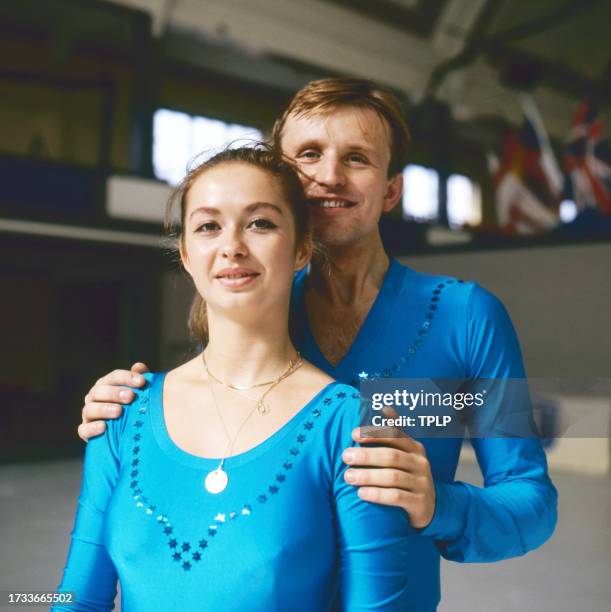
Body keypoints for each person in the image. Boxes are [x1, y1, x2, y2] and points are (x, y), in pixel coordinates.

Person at [79, 78, 558, 611]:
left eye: (357, 158)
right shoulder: (254, 298)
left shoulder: (465, 318)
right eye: (309, 155)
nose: (329, 176)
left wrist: (437, 504)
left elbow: (532, 501)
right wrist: (124, 406)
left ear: (391, 190)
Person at [54, 146, 412, 611]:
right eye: (208, 226)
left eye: (260, 223)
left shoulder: (352, 427)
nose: (232, 246)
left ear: (303, 247)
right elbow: (75, 599)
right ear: (185, 253)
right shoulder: (123, 413)